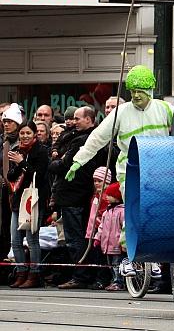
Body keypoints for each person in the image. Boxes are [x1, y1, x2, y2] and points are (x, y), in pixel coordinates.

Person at [65, 65, 173, 277]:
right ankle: (129, 258)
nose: (136, 95)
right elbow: (97, 137)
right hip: (130, 170)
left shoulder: (165, 108)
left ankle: (156, 256)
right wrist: (78, 161)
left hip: (159, 169)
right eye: (132, 91)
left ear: (150, 89)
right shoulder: (120, 113)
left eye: (140, 91)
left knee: (159, 211)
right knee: (133, 209)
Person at [50, 106, 105, 289]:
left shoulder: (84, 139)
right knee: (72, 238)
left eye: (77, 118)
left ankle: (81, 276)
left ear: (89, 119)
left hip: (75, 194)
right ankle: (79, 274)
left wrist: (56, 160)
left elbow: (63, 165)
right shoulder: (72, 135)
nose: (73, 121)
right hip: (68, 194)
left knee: (76, 239)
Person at [7, 120, 49, 288]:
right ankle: (21, 272)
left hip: (34, 200)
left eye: (28, 133)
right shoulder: (16, 151)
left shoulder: (42, 151)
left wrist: (23, 162)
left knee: (32, 240)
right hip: (19, 199)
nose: (24, 136)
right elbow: (11, 176)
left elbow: (38, 176)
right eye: (22, 133)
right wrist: (18, 163)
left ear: (34, 134)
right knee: (15, 241)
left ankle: (34, 275)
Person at [1, 104, 23, 262]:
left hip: (21, 189)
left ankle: (22, 266)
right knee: (5, 228)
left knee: (19, 231)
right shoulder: (5, 142)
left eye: (10, 121)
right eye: (4, 121)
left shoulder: (22, 141)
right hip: (5, 190)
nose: (6, 124)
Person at [94, 181, 125, 291]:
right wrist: (98, 238)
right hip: (106, 246)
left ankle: (118, 282)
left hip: (117, 244)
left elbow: (124, 227)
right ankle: (114, 280)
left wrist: (123, 242)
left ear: (117, 197)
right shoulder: (106, 212)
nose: (107, 197)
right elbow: (101, 227)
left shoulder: (122, 212)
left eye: (110, 195)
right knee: (111, 265)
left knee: (117, 264)